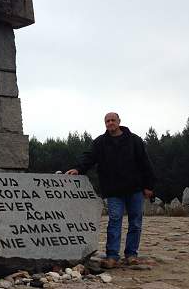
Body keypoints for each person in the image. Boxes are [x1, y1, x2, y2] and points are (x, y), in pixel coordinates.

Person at [66, 112, 155, 269]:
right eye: (107, 121)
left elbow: (145, 163)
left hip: (135, 189)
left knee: (135, 222)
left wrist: (149, 186)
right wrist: (78, 169)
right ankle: (112, 256)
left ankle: (131, 254)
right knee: (114, 221)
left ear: (119, 121)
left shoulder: (135, 140)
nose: (110, 123)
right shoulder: (100, 142)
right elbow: (89, 157)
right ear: (105, 123)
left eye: (113, 120)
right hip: (113, 190)